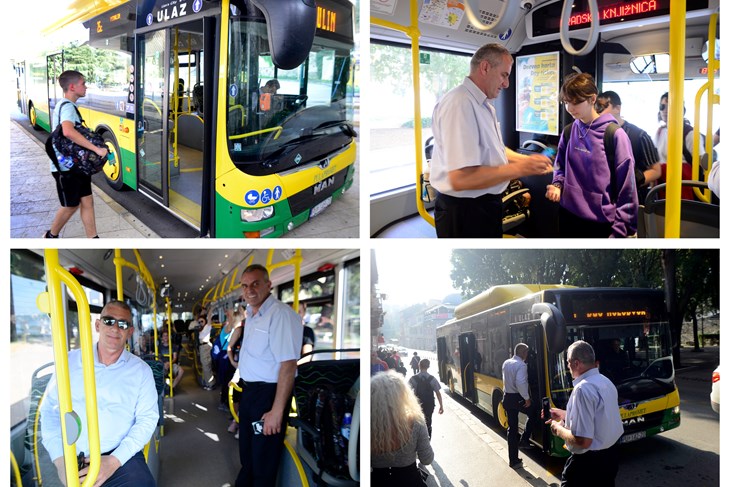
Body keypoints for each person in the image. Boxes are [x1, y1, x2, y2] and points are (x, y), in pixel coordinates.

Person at [429, 43, 553, 238]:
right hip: (465, 211)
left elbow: (494, 149)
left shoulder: (484, 105)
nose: (507, 84)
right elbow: (461, 178)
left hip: (485, 206)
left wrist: (525, 160)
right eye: (504, 75)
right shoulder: (460, 104)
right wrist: (521, 169)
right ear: (485, 67)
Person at [40, 300, 159, 486]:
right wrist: (60, 460)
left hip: (120, 455)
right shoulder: (68, 362)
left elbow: (147, 419)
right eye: (109, 321)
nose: (115, 328)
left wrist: (113, 461)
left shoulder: (141, 371)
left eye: (123, 324)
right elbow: (49, 412)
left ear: (130, 331)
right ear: (98, 325)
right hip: (73, 455)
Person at [234, 264, 303, 487]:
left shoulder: (280, 315)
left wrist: (276, 411)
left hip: (268, 396)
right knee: (248, 452)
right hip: (250, 392)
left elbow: (288, 365)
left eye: (255, 284)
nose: (250, 290)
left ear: (268, 285)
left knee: (263, 459)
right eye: (245, 286)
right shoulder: (253, 315)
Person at [546, 73, 638, 238]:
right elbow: (559, 167)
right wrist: (557, 185)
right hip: (568, 215)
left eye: (576, 102)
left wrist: (620, 231)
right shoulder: (568, 131)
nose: (570, 108)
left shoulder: (614, 135)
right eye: (566, 102)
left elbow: (627, 189)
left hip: (601, 222)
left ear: (592, 99)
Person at [544, 340, 624, 486]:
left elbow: (583, 441)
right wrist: (565, 415)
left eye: (568, 363)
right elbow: (598, 419)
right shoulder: (606, 381)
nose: (567, 367)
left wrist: (558, 429)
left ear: (576, 363)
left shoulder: (582, 389)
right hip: (610, 458)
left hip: (586, 466)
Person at [44, 70, 108, 239]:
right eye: (83, 83)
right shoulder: (68, 107)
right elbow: (68, 131)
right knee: (71, 205)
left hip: (75, 165)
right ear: (72, 87)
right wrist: (96, 149)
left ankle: (93, 238)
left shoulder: (65, 105)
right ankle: (51, 236)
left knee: (87, 201)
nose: (86, 87)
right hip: (65, 168)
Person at [596, 91, 662, 204]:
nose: (599, 112)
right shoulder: (595, 135)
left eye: (603, 107)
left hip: (633, 198)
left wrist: (632, 182)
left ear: (617, 108)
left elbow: (656, 170)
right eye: (596, 108)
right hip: (603, 198)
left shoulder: (639, 135)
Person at [372, 371, 434, 486]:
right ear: (403, 395)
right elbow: (427, 459)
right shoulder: (416, 422)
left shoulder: (368, 426)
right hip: (410, 481)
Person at [653, 92, 706, 199]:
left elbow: (702, 162)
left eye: (670, 106)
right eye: (662, 106)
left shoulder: (689, 133)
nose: (665, 110)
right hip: (663, 185)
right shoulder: (659, 132)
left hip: (683, 185)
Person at [502, 343, 534, 468]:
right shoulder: (521, 365)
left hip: (507, 397)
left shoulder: (506, 363)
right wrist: (527, 399)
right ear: (523, 353)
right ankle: (525, 439)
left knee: (512, 429)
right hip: (517, 398)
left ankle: (513, 460)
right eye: (527, 352)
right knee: (533, 412)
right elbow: (520, 382)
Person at [408, 359, 444, 439]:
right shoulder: (432, 379)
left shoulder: (413, 378)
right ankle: (428, 440)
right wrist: (441, 406)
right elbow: (438, 393)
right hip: (429, 404)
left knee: (417, 422)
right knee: (428, 422)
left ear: (419, 366)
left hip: (417, 404)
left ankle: (418, 440)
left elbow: (407, 392)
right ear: (428, 366)